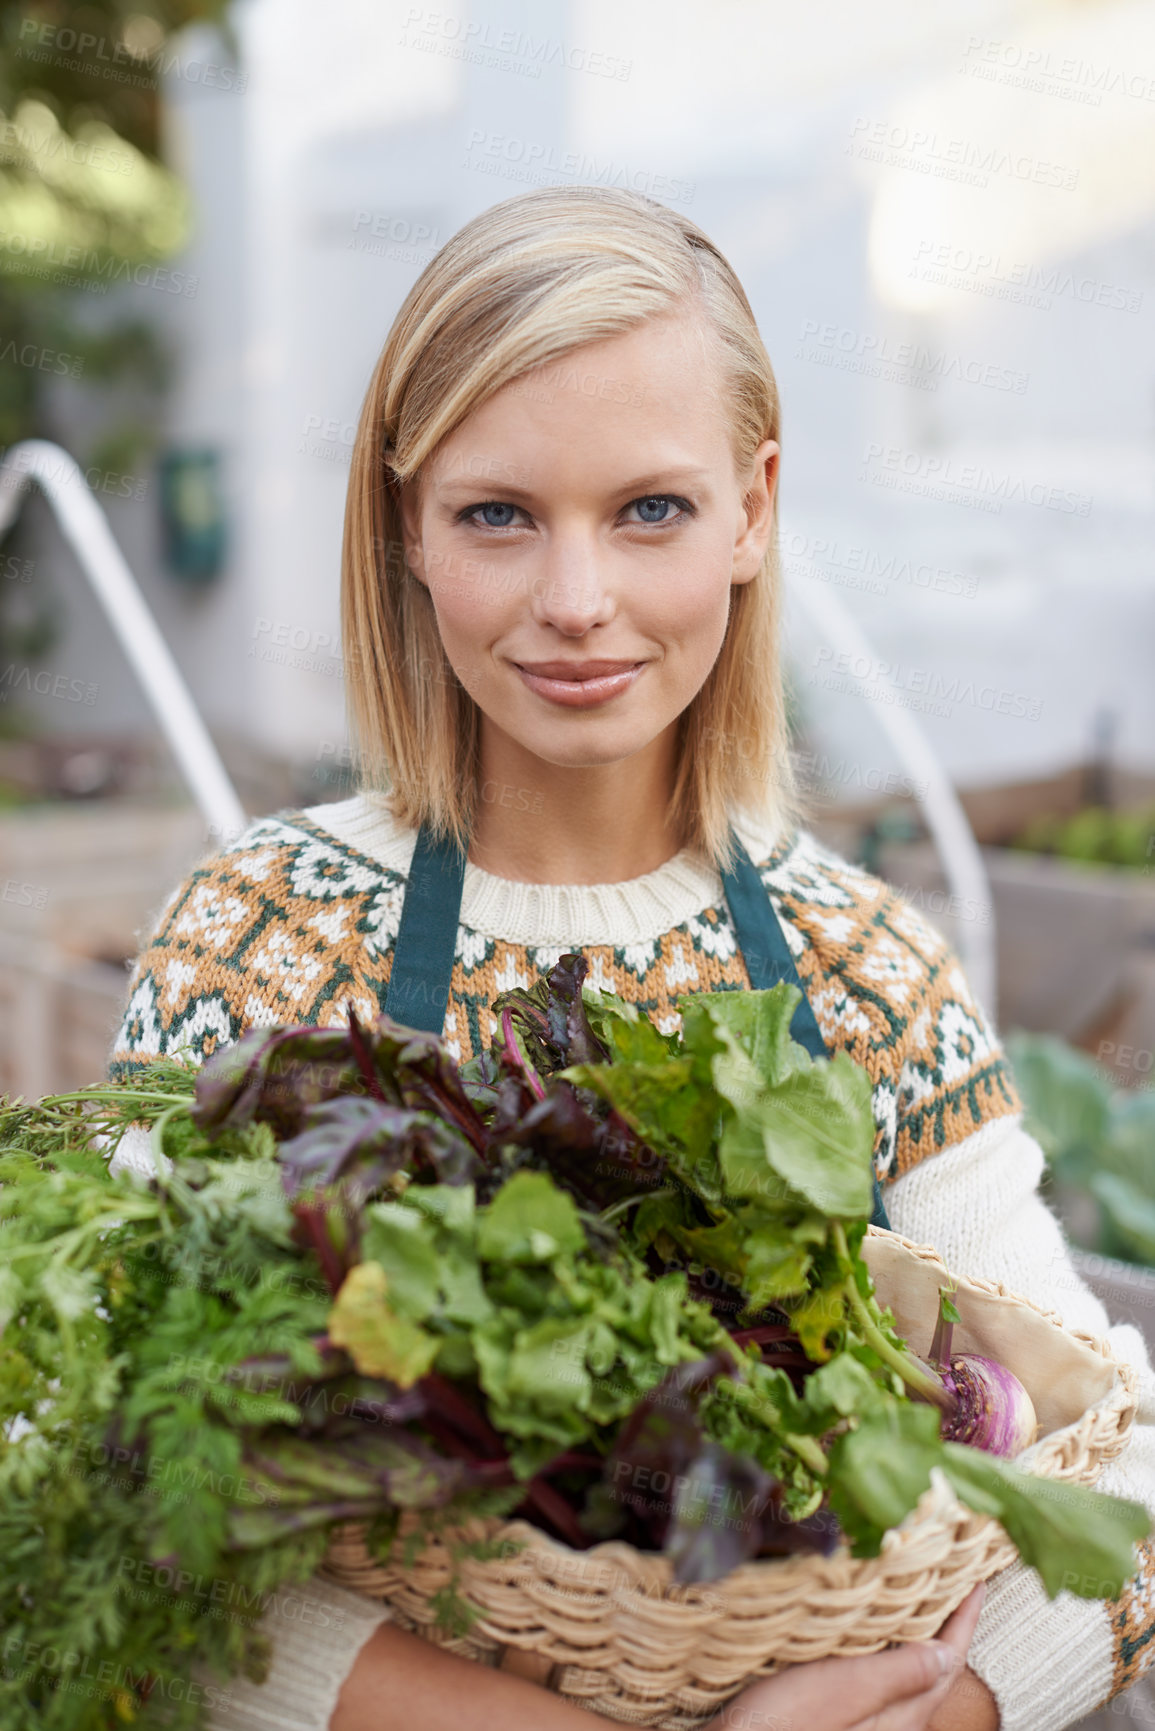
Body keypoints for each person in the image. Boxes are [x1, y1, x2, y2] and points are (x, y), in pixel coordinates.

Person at [107, 185, 1155, 1731]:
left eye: (649, 509)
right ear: (407, 526)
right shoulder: (259, 938)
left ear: (755, 511)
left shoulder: (864, 961)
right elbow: (121, 1478)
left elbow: (1109, 1459)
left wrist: (952, 1709)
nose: (577, 602)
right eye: (499, 515)